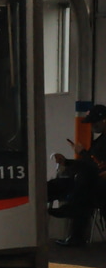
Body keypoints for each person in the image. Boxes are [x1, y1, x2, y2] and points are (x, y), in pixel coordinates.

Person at [47, 104, 106, 246]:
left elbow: (95, 164)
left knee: (84, 187)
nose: (92, 126)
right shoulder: (100, 141)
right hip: (89, 184)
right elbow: (89, 164)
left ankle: (71, 212)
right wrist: (66, 162)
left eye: (94, 123)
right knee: (54, 186)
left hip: (97, 186)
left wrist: (83, 153)